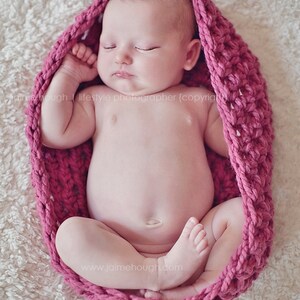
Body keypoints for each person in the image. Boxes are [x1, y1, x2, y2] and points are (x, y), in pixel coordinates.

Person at [41, 0, 245, 299]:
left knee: (241, 213)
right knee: (69, 235)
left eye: (145, 47)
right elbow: (53, 133)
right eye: (108, 45)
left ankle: (201, 286)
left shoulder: (197, 102)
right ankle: (155, 273)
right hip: (115, 242)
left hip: (197, 238)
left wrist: (234, 96)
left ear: (188, 55)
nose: (121, 56)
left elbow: (236, 148)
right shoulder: (98, 100)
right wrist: (69, 77)